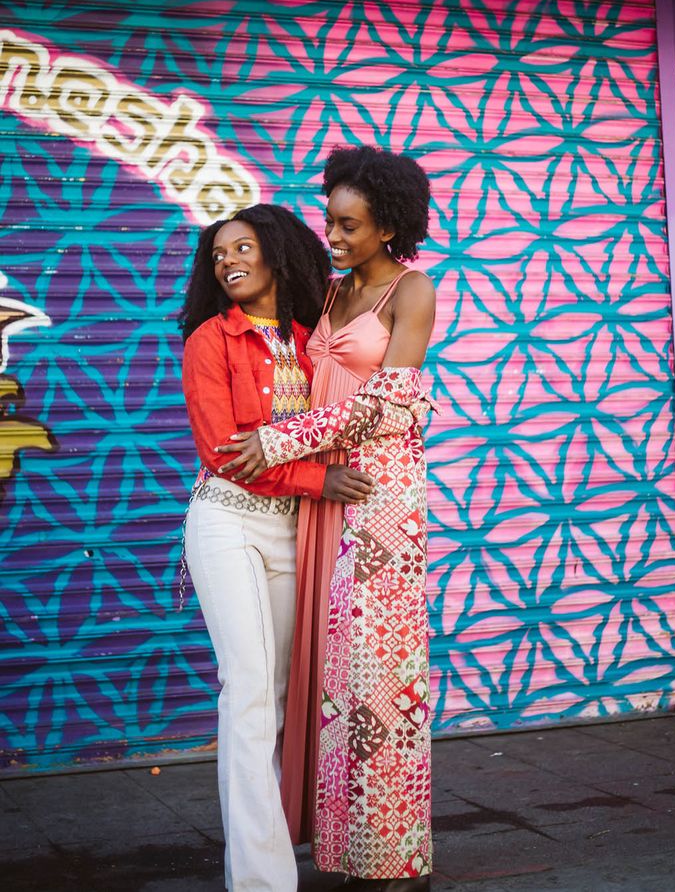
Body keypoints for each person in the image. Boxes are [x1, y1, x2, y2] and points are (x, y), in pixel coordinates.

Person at [217, 148, 436, 892]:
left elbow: (389, 399)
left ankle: (399, 860)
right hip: (321, 497)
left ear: (389, 225)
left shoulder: (414, 290)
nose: (334, 236)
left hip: (380, 501)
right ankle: (345, 851)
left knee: (383, 683)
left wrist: (278, 441)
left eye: (350, 225)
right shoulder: (334, 292)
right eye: (331, 221)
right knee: (332, 684)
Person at [179, 203, 375, 892]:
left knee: (287, 696)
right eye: (217, 255)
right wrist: (321, 478)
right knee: (250, 693)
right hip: (227, 522)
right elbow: (224, 451)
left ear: (276, 255)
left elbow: (345, 414)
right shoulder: (210, 340)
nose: (227, 261)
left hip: (294, 528)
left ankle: (277, 853)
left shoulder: (310, 340)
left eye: (242, 248)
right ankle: (262, 881)